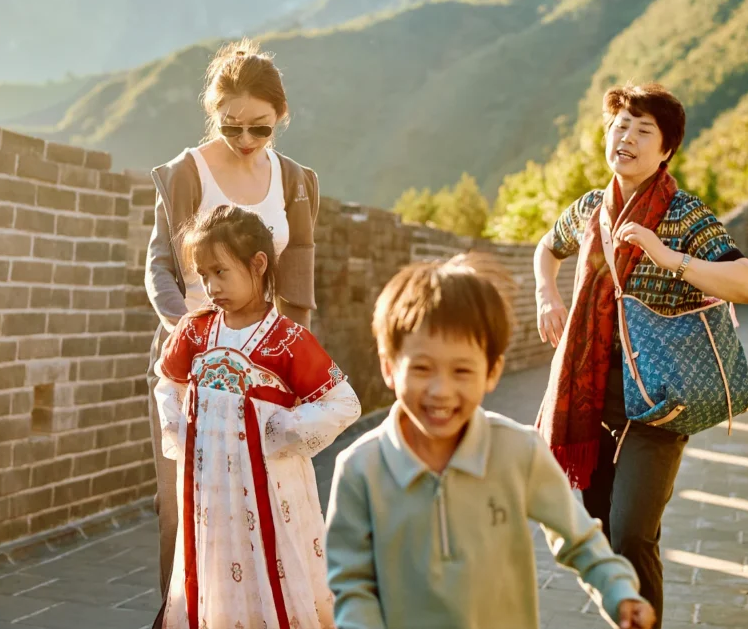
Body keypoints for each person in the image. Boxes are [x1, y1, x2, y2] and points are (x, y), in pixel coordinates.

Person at [534, 83, 748, 629]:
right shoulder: (591, 207)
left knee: (634, 530)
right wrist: (548, 294)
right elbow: (548, 247)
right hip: (588, 398)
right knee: (597, 532)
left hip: (660, 399)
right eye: (620, 126)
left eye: (643, 131)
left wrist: (668, 257)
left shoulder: (684, 215)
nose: (627, 138)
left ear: (665, 151)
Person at [325, 256, 655, 629]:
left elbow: (580, 539)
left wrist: (620, 593)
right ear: (389, 366)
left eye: (462, 371)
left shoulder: (520, 453)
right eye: (421, 368)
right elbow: (351, 584)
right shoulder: (359, 469)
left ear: (492, 371)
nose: (440, 390)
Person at [144, 39, 320, 626]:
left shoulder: (293, 182)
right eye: (231, 127)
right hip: (193, 359)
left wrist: (293, 363)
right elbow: (159, 269)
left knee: (266, 497)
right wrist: (193, 332)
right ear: (213, 115)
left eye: (261, 129)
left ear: (282, 116)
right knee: (185, 502)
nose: (245, 141)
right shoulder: (187, 174)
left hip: (264, 364)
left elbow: (298, 285)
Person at [155, 205, 360, 628]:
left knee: (269, 563)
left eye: (221, 272)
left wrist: (279, 429)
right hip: (209, 488)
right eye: (203, 275)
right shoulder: (194, 332)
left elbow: (344, 403)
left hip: (268, 490)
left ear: (258, 264)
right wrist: (180, 423)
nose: (211, 287)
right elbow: (168, 383)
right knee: (211, 561)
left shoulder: (287, 341)